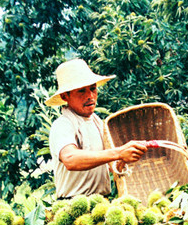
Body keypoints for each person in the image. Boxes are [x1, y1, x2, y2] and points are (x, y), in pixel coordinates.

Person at [46, 59, 147, 198]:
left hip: (101, 202)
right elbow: (70, 159)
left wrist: (125, 158)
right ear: (65, 96)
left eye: (93, 89)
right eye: (81, 91)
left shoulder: (98, 122)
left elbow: (111, 166)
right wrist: (118, 152)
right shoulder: (63, 124)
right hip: (72, 205)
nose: (90, 96)